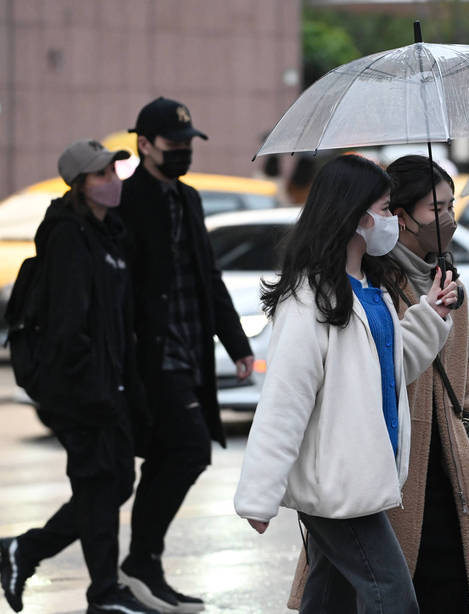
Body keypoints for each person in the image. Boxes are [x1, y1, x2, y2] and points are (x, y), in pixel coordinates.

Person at [234, 154, 459, 614]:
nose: (391, 219)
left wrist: (431, 316)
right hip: (336, 487)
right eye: (384, 208)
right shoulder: (310, 299)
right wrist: (260, 495)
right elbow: (284, 402)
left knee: (329, 599)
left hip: (357, 477)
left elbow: (391, 370)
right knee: (393, 597)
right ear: (357, 217)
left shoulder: (370, 289)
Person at [0, 140, 157, 614]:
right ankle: (102, 593)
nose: (113, 181)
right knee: (102, 484)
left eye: (114, 172)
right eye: (101, 175)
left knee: (108, 485)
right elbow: (70, 328)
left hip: (107, 386)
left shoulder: (107, 234)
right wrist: (93, 393)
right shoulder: (68, 236)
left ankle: (25, 552)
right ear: (80, 185)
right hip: (81, 391)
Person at [118, 97, 254, 613]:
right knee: (189, 450)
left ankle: (143, 564)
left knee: (173, 454)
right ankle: (140, 563)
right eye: (173, 145)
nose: (182, 153)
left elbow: (208, 279)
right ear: (144, 144)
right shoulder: (127, 201)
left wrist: (236, 345)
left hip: (190, 347)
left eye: (187, 144)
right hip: (151, 355)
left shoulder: (190, 199)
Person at [383, 155, 469, 612]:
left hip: (448, 457)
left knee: (460, 587)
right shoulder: (375, 282)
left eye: (451, 204)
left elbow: (463, 381)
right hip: (401, 460)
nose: (448, 218)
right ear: (401, 216)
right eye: (435, 208)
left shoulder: (449, 279)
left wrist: (467, 426)